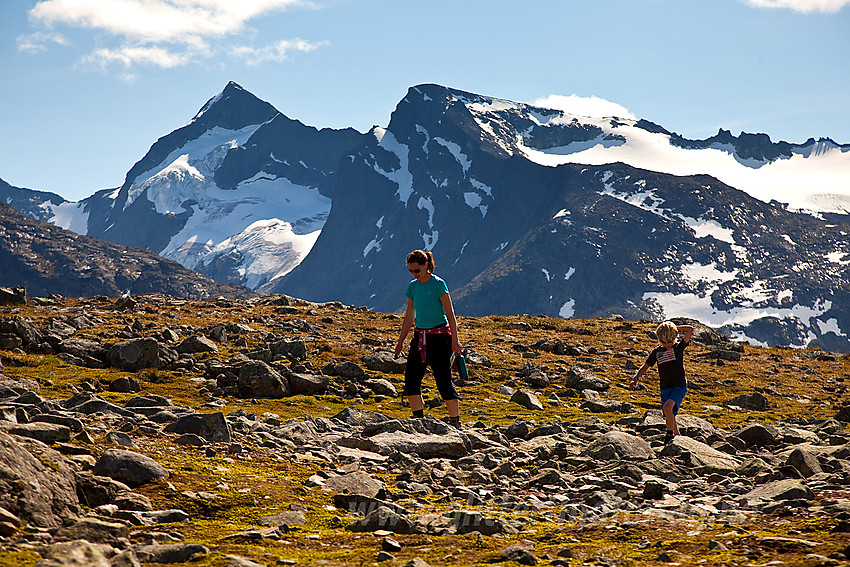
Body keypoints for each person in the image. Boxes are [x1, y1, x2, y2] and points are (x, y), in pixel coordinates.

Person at [393, 250, 463, 427]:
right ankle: (418, 420)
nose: (414, 274)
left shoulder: (438, 284)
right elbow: (409, 316)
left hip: (440, 338)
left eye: (416, 270)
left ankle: (455, 421)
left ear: (426, 266)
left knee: (443, 379)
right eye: (411, 271)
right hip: (419, 336)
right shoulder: (413, 287)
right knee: (411, 379)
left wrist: (455, 340)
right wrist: (400, 341)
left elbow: (450, 314)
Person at [631, 321, 694, 444]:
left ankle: (669, 434)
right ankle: (676, 435)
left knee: (667, 407)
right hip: (665, 388)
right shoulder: (657, 352)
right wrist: (635, 377)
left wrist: (674, 328)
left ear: (674, 338)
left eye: (670, 341)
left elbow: (690, 330)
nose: (667, 345)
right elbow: (646, 366)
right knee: (670, 413)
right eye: (664, 342)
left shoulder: (678, 348)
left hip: (679, 386)